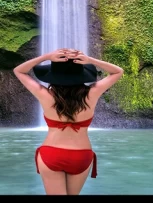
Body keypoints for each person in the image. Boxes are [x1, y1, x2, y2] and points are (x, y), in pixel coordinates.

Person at [13, 47, 125, 195]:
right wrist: (90, 60)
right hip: (81, 156)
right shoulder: (92, 94)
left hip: (51, 153)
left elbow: (19, 71)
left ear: (53, 76)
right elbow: (118, 71)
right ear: (82, 75)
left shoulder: (45, 95)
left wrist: (46, 57)